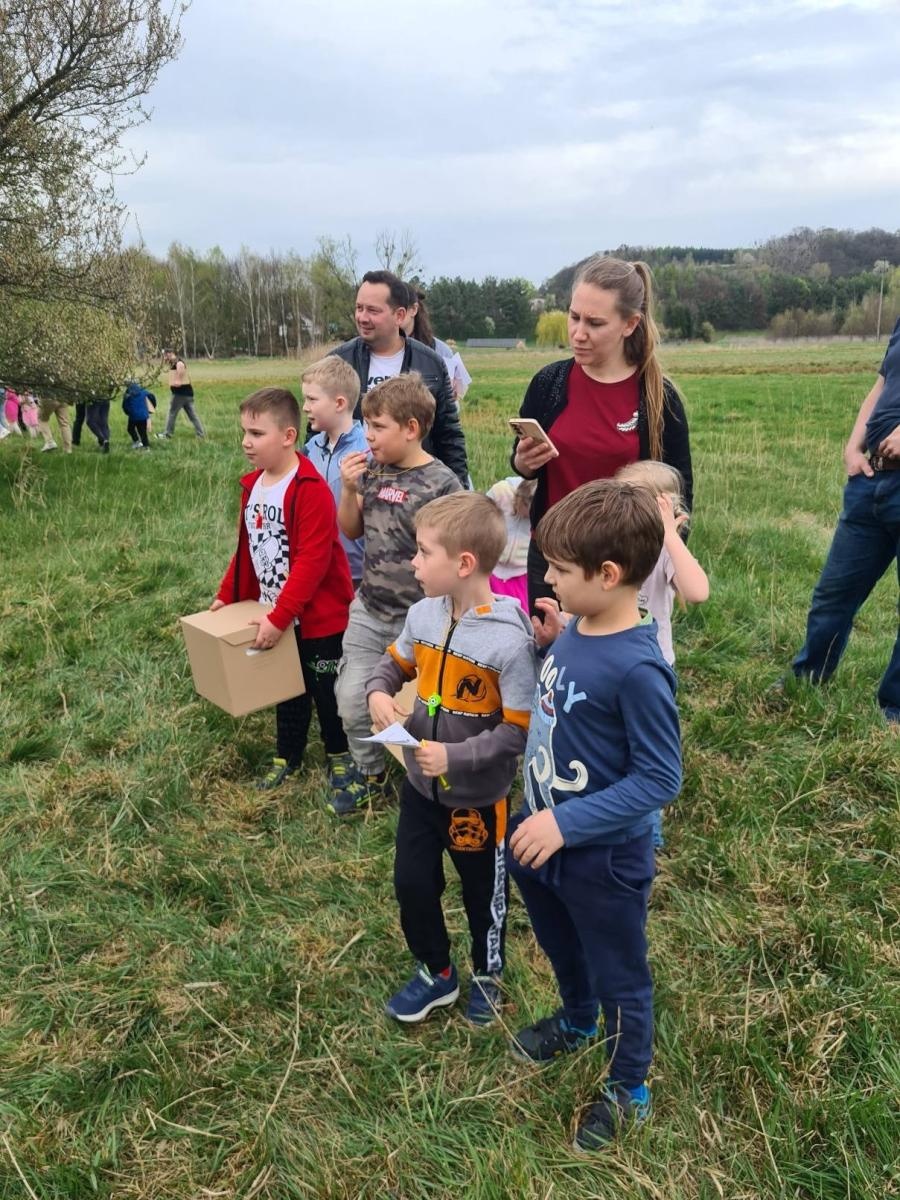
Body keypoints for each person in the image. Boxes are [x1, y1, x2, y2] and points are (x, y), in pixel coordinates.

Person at [506, 480, 681, 1153]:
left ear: (608, 575)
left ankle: (628, 1084)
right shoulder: (580, 626)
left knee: (619, 973)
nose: (547, 578)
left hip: (600, 858)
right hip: (541, 835)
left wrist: (567, 825)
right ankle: (579, 1020)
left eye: (559, 569)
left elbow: (660, 777)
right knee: (559, 943)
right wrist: (555, 643)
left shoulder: (640, 669)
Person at [366, 492, 537, 1025]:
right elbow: (393, 665)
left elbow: (518, 733)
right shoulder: (422, 615)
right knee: (412, 883)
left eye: (422, 552)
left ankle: (488, 974)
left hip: (477, 802)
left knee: (483, 893)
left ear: (463, 564)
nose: (412, 563)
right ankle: (436, 971)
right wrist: (377, 691)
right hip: (420, 791)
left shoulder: (510, 643)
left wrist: (457, 757)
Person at [511, 255, 693, 611]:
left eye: (595, 323)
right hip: (552, 561)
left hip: (621, 570)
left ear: (630, 324)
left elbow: (681, 491)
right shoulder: (548, 384)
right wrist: (523, 463)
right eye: (574, 317)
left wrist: (665, 568)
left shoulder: (658, 398)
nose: (578, 333)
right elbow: (523, 464)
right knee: (550, 648)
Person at [212, 387, 356, 801]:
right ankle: (287, 754)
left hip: (318, 619)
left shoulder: (309, 488)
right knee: (286, 687)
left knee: (325, 688)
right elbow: (247, 548)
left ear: (289, 436)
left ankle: (339, 753)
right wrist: (227, 595)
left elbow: (312, 563)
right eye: (244, 432)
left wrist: (280, 617)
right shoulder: (254, 486)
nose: (246, 442)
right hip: (274, 613)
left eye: (257, 433)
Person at [332, 373, 462, 815]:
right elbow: (351, 529)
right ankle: (370, 774)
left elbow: (457, 553)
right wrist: (349, 489)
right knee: (352, 699)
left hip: (420, 620)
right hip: (369, 610)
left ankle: (426, 779)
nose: (367, 436)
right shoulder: (372, 472)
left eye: (377, 426)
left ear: (411, 428)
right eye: (365, 425)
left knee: (423, 710)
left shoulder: (442, 484)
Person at [787, 318, 900, 724]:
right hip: (872, 481)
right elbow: (882, 384)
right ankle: (808, 677)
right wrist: (853, 446)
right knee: (834, 593)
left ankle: (894, 709)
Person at [330, 270, 469, 485]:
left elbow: (449, 437)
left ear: (400, 315)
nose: (362, 317)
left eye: (373, 310)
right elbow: (317, 436)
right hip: (352, 488)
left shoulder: (430, 363)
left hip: (417, 490)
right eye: (359, 308)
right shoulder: (339, 362)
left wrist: (459, 494)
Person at [302, 356, 368, 589]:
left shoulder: (367, 450)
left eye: (312, 399)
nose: (305, 407)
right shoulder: (310, 449)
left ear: (339, 403)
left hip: (357, 574)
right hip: (318, 567)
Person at [402, 285, 472, 402]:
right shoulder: (376, 348)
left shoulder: (441, 350)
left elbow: (458, 394)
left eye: (400, 309)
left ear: (413, 309)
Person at [485, 475, 537, 609]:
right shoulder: (500, 492)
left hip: (521, 575)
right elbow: (478, 518)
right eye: (526, 510)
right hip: (490, 569)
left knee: (517, 613)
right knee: (485, 609)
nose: (528, 516)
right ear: (520, 498)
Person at [157, 350, 205, 440]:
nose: (164, 358)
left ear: (170, 353)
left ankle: (167, 434)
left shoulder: (178, 362)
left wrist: (178, 380)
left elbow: (181, 367)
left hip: (179, 394)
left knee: (172, 413)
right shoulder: (173, 362)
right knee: (193, 415)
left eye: (165, 355)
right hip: (187, 394)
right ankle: (201, 434)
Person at [122, 381, 156, 450]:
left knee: (130, 429)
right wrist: (152, 407)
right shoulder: (143, 391)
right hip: (144, 416)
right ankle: (146, 446)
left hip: (133, 416)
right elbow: (152, 397)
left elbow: (125, 406)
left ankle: (137, 441)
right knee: (142, 431)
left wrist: (128, 412)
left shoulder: (127, 394)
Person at [85, 386, 113, 453]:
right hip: (105, 396)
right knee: (103, 422)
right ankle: (105, 442)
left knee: (90, 421)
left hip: (94, 396)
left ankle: (103, 440)